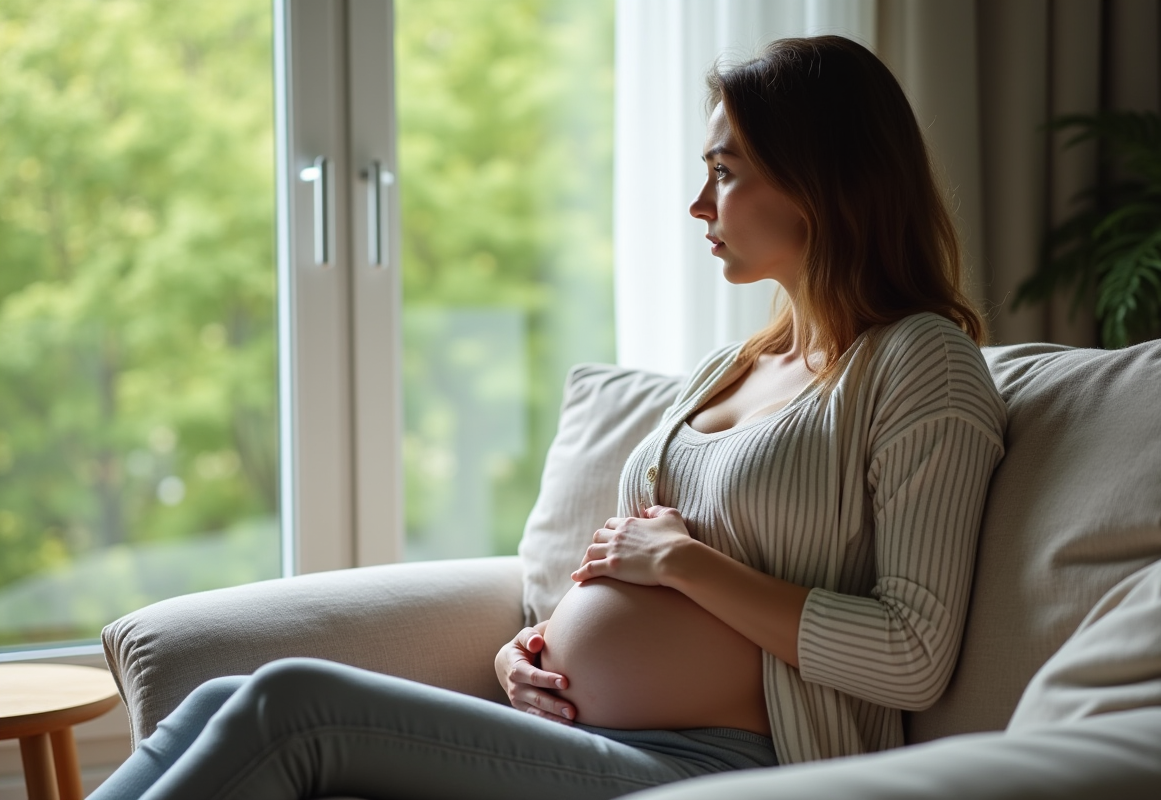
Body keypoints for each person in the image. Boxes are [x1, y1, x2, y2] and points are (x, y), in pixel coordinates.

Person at [90, 35, 1005, 800]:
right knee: (222, 698)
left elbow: (912, 654)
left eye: (726, 174)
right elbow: (627, 582)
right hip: (604, 736)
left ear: (825, 183)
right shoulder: (737, 364)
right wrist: (521, 654)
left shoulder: (919, 363)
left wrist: (681, 563)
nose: (698, 205)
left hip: (731, 768)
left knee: (288, 703)